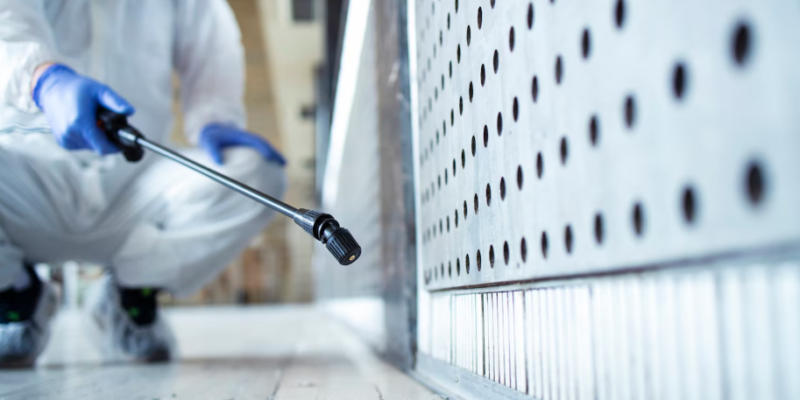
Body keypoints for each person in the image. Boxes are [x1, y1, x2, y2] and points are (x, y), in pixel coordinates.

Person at [0, 0, 287, 366]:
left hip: (136, 186)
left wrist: (215, 117)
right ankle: (14, 294)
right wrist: (43, 79)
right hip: (27, 182)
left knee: (256, 173)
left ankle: (131, 294)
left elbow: (212, 44)